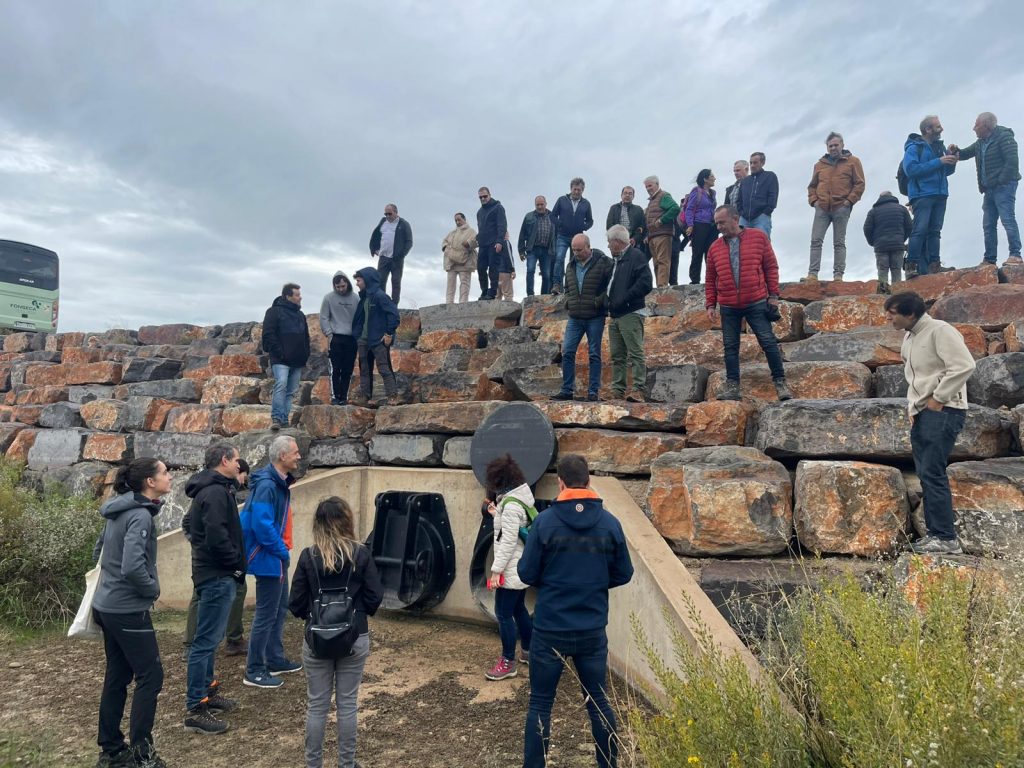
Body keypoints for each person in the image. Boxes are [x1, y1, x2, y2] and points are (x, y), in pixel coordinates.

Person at [517, 454, 634, 768]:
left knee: (540, 704)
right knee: (598, 703)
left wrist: (554, 579)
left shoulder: (544, 523)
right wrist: (592, 582)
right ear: (589, 482)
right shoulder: (610, 523)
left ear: (561, 482)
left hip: (549, 629)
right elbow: (625, 573)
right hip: (591, 631)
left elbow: (526, 574)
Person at [289, 496, 383, 768]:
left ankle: (313, 764)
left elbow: (295, 602)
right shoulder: (360, 554)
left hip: (317, 637)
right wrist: (357, 614)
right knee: (347, 704)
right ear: (347, 521)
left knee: (317, 705)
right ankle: (347, 763)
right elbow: (375, 595)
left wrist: (314, 615)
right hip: (354, 635)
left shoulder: (309, 556)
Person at [92, 458, 172, 768]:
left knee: (118, 674)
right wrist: (152, 590)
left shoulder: (118, 509)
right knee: (151, 675)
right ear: (150, 482)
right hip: (127, 610)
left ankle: (111, 750)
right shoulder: (140, 514)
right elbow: (132, 566)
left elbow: (98, 552)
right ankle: (142, 754)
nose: (169, 477)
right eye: (164, 473)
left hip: (107, 606)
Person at [884, 291, 976, 554]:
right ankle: (937, 535)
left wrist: (938, 399)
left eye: (892, 314)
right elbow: (914, 377)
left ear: (910, 313)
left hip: (944, 410)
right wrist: (913, 408)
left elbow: (963, 366)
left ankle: (946, 538)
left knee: (933, 473)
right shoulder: (909, 337)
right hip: (924, 413)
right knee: (926, 473)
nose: (888, 318)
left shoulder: (940, 330)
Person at [183, 444, 246, 735]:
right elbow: (217, 535)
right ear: (224, 460)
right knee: (205, 642)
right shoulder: (215, 492)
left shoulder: (213, 490)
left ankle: (209, 691)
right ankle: (196, 707)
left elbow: (197, 529)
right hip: (217, 576)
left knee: (210, 639)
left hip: (217, 574)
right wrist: (233, 565)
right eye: (236, 459)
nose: (239, 464)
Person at [706, 205, 792, 402]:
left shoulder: (759, 237)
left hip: (756, 300)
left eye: (722, 222)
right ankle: (732, 386)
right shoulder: (714, 248)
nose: (718, 227)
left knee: (768, 342)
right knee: (730, 347)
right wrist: (711, 304)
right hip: (728, 305)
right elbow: (710, 278)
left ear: (735, 219)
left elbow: (771, 266)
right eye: (716, 223)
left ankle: (780, 383)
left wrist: (773, 296)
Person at [242, 435, 303, 689]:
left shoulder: (276, 483)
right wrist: (281, 551)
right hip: (270, 557)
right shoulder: (268, 486)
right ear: (282, 457)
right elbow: (261, 524)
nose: (299, 456)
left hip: (276, 555)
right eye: (295, 452)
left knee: (279, 609)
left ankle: (274, 658)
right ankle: (254, 669)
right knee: (266, 613)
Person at [182, 459, 251, 661]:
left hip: (212, 565)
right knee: (222, 597)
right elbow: (210, 530)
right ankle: (230, 640)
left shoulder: (216, 491)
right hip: (216, 567)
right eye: (243, 475)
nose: (242, 479)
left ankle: (224, 640)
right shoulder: (215, 492)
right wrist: (232, 560)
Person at [482, 454, 534, 681]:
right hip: (520, 566)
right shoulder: (518, 499)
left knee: (503, 613)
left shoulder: (511, 506)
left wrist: (496, 572)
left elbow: (507, 541)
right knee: (518, 609)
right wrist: (497, 514)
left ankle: (507, 662)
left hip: (511, 567)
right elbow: (510, 528)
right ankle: (529, 651)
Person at [948, 112, 1022, 266]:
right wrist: (955, 151)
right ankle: (989, 259)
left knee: (1007, 219)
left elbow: (1012, 162)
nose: (973, 128)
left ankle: (1015, 255)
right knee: (988, 224)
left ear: (986, 126)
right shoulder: (980, 143)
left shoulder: (1004, 137)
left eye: (976, 124)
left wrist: (1001, 181)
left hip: (1004, 187)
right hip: (989, 190)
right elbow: (964, 154)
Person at [551, 234, 613, 403]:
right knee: (568, 352)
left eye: (579, 249)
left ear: (588, 247)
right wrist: (569, 302)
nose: (576, 253)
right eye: (573, 249)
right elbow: (567, 286)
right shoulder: (570, 265)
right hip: (575, 317)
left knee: (594, 354)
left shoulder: (603, 262)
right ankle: (566, 390)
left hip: (595, 316)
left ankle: (593, 392)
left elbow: (611, 285)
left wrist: (599, 302)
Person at [805, 132, 866, 282]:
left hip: (841, 207)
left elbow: (860, 183)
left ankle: (838, 275)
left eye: (835, 145)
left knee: (839, 242)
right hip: (822, 208)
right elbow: (812, 186)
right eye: (830, 145)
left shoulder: (853, 161)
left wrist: (849, 201)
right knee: (815, 240)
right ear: (827, 147)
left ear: (842, 145)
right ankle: (812, 274)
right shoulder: (819, 165)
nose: (833, 148)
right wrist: (814, 201)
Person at [903, 115, 958, 278]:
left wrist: (951, 160)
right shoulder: (914, 148)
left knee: (935, 231)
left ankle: (935, 266)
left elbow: (945, 172)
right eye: (938, 126)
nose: (941, 129)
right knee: (920, 230)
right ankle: (911, 266)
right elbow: (911, 170)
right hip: (922, 195)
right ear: (928, 129)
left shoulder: (938, 148)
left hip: (940, 194)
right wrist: (939, 161)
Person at [605, 225, 653, 402]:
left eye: (610, 242)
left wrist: (625, 298)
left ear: (617, 242)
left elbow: (646, 283)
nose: (608, 246)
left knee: (635, 352)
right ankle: (618, 391)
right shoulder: (617, 260)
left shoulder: (636, 256)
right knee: (617, 355)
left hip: (631, 313)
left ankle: (639, 389)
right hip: (616, 315)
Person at [348, 267, 401, 408]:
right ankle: (365, 397)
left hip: (378, 340)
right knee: (364, 370)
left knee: (383, 368)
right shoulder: (364, 298)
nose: (357, 283)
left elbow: (394, 316)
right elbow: (360, 319)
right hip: (363, 340)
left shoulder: (380, 296)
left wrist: (389, 333)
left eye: (359, 280)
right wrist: (358, 336)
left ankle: (392, 396)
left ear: (367, 280)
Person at [262, 283, 311, 430]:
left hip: (297, 360)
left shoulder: (300, 315)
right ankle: (277, 418)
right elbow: (268, 334)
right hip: (281, 359)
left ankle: (284, 420)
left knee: (291, 392)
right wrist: (279, 352)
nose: (300, 297)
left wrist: (305, 354)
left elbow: (305, 337)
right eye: (297, 295)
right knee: (281, 385)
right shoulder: (273, 312)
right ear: (288, 296)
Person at [320, 272, 360, 405]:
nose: (340, 289)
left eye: (342, 286)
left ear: (347, 283)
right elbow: (324, 317)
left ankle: (344, 396)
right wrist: (329, 333)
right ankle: (335, 396)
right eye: (337, 287)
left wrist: (358, 334)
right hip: (336, 338)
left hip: (351, 338)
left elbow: (361, 318)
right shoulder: (328, 298)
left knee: (347, 369)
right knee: (335, 369)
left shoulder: (356, 298)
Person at [550, 178, 594, 293]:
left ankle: (570, 286)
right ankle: (556, 285)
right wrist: (560, 224)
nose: (576, 192)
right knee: (559, 258)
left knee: (574, 261)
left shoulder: (586, 204)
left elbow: (590, 221)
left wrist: (583, 227)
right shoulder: (562, 200)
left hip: (577, 238)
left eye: (579, 190)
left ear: (582, 190)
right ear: (571, 188)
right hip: (562, 236)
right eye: (575, 189)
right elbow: (552, 216)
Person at [863, 191, 913, 292]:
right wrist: (901, 239)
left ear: (880, 198)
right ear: (891, 196)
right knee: (896, 270)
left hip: (880, 246)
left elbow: (867, 228)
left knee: (882, 269)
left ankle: (883, 293)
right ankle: (897, 293)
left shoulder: (873, 211)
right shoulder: (902, 209)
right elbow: (909, 226)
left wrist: (872, 242)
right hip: (898, 245)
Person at [368, 203, 413, 305]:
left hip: (397, 259)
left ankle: (394, 305)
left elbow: (409, 242)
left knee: (396, 282)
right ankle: (381, 303)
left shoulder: (404, 224)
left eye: (389, 214)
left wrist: (402, 255)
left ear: (396, 212)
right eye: (386, 214)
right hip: (383, 257)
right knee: (380, 281)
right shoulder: (383, 222)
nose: (387, 216)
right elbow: (375, 235)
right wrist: (374, 249)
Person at [682, 169, 719, 284]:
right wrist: (690, 225)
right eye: (712, 176)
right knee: (697, 253)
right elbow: (690, 209)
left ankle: (712, 280)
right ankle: (695, 280)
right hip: (699, 225)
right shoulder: (696, 191)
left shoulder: (713, 193)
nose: (714, 178)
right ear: (705, 179)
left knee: (711, 254)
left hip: (712, 226)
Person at [643, 175, 680, 287]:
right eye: (646, 187)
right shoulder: (652, 200)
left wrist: (661, 221)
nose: (648, 188)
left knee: (662, 261)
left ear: (657, 184)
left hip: (663, 234)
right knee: (656, 263)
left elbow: (675, 208)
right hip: (653, 235)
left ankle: (662, 286)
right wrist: (647, 235)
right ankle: (660, 285)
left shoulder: (663, 196)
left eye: (650, 185)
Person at [518, 196, 557, 296]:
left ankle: (544, 296)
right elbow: (522, 234)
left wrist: (554, 250)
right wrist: (521, 251)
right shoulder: (529, 216)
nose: (539, 207)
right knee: (530, 270)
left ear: (546, 204)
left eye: (541, 204)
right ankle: (530, 295)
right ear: (535, 205)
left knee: (547, 275)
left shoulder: (553, 216)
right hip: (532, 249)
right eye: (537, 205)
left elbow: (556, 235)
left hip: (547, 250)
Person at [737, 151, 779, 238]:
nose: (752, 165)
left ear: (762, 163)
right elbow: (739, 199)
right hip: (744, 219)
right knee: (741, 244)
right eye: (751, 163)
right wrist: (741, 213)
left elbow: (773, 196)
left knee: (761, 244)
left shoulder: (770, 176)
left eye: (755, 162)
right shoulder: (745, 181)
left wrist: (766, 212)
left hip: (761, 218)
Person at [476, 187, 507, 300]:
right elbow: (480, 229)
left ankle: (492, 292)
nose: (483, 199)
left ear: (490, 195)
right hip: (483, 244)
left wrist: (499, 241)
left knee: (493, 269)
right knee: (480, 268)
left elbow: (502, 226)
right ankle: (484, 291)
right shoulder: (479, 212)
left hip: (494, 243)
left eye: (485, 196)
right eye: (480, 197)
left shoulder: (498, 208)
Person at [441, 212, 478, 304]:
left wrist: (468, 243)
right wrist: (446, 248)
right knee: (450, 284)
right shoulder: (452, 233)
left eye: (459, 220)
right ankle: (449, 302)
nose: (457, 222)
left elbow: (476, 241)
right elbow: (444, 242)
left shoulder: (471, 231)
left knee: (464, 283)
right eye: (456, 220)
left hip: (466, 262)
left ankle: (463, 303)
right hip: (451, 262)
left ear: (464, 219)